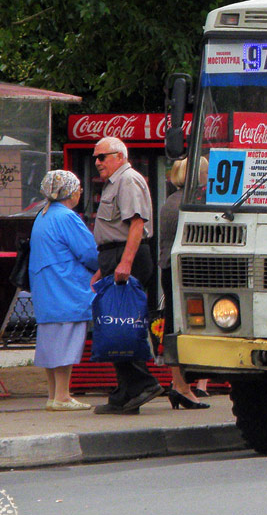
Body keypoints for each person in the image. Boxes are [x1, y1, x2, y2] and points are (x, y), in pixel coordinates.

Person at [90, 137, 163, 414]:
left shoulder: (128, 179)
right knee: (113, 323)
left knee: (120, 323)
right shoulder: (115, 182)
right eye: (96, 158)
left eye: (102, 157)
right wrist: (102, 268)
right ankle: (126, 392)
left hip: (127, 256)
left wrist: (125, 263)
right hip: (115, 255)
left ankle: (143, 383)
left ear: (119, 156)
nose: (97, 163)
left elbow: (136, 224)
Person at [29, 170, 98, 411]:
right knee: (66, 342)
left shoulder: (43, 214)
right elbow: (89, 252)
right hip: (67, 288)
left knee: (51, 343)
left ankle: (53, 395)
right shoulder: (68, 217)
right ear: (69, 191)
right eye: (78, 188)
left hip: (46, 289)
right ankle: (62, 396)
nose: (80, 192)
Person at [158, 159, 209, 410]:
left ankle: (180, 384)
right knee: (183, 327)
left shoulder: (171, 201)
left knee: (174, 325)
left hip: (170, 270)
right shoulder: (189, 205)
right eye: (206, 172)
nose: (209, 177)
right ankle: (182, 386)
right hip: (184, 273)